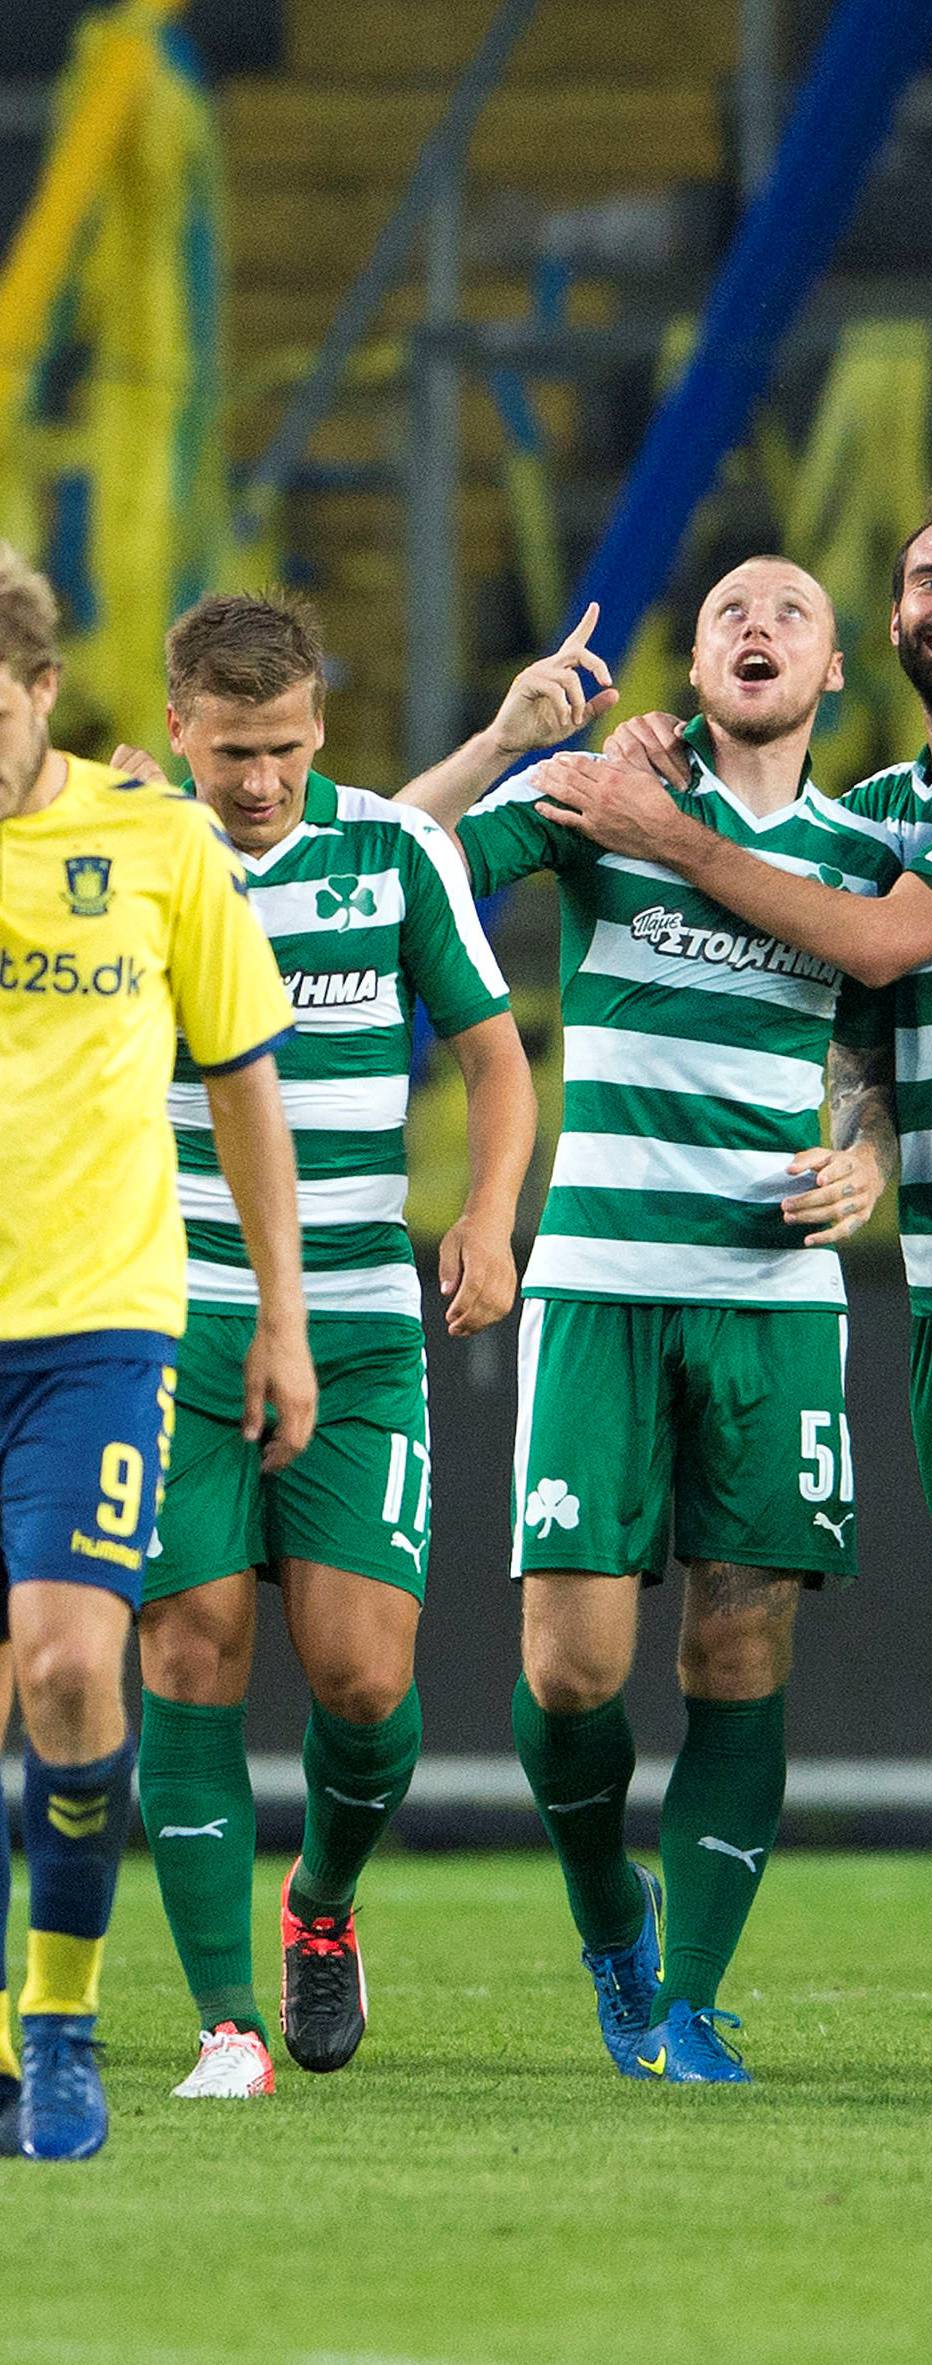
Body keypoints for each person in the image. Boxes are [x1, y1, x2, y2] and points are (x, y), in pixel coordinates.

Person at [534, 497, 932, 2091]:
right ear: (880, 632)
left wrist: (675, 832)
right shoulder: (884, 807)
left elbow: (885, 947)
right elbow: (855, 1029)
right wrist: (867, 1145)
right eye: (924, 581)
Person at [409, 558, 896, 2085]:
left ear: (829, 677)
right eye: (730, 612)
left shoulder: (864, 851)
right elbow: (394, 874)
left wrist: (870, 1147)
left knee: (740, 1648)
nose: (758, 627)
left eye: (791, 615)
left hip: (770, 1301)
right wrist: (504, 744)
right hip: (602, 1287)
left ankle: (685, 2000)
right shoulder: (601, 803)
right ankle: (616, 1914)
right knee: (570, 1671)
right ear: (694, 665)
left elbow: (886, 1041)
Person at [114, 591, 539, 2101]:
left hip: (358, 1325)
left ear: (319, 726)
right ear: (177, 726)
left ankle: (323, 1905)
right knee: (189, 1644)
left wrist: (488, 1218)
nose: (258, 782)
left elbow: (499, 1063)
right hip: (172, 1319)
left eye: (285, 747)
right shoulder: (128, 864)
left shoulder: (396, 854)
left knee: (365, 1680)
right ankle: (229, 2016)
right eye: (231, 751)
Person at [0, 545, 310, 2159]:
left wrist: (285, 1310)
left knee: (66, 1666)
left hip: (98, 1326)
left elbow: (245, 1076)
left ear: (44, 693)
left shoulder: (156, 844)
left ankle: (59, 2018)